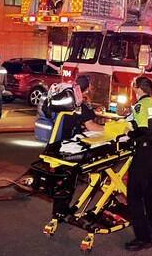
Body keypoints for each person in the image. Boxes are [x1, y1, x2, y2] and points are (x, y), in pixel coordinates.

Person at [123, 76, 152, 251]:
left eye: (135, 89)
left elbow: (142, 129)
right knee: (151, 193)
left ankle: (143, 238)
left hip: (143, 153)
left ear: (138, 90)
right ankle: (151, 229)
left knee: (135, 196)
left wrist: (129, 133)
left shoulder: (139, 106)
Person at [50, 75, 104, 219]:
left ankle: (58, 210)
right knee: (69, 179)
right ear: (87, 88)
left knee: (60, 177)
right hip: (70, 147)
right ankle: (62, 211)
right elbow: (91, 126)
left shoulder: (65, 98)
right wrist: (110, 129)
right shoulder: (81, 104)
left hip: (56, 143)